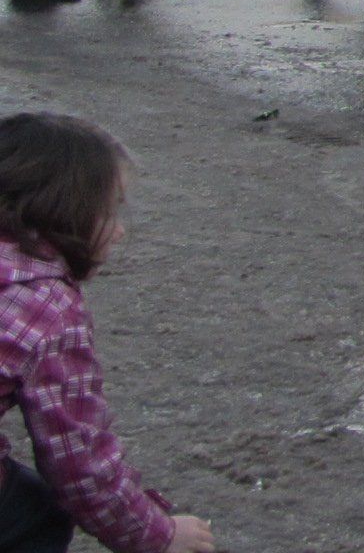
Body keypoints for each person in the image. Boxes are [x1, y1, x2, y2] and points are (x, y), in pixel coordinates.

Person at [0, 113, 214, 553]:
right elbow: (79, 465)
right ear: (67, 211)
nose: (119, 231)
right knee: (38, 514)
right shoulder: (47, 307)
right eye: (110, 210)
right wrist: (158, 535)